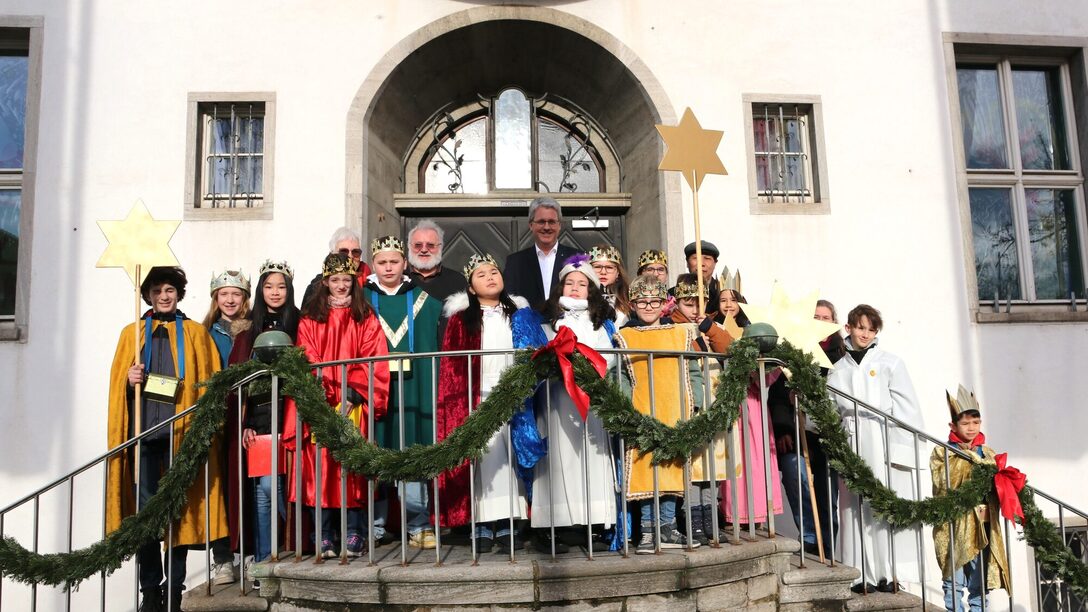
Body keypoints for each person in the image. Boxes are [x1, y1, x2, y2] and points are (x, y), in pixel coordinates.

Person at [106, 267, 227, 612]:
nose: (164, 295)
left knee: (179, 514)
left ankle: (174, 587)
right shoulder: (131, 334)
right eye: (157, 290)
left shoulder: (194, 334)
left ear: (179, 293)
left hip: (181, 438)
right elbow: (117, 391)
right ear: (147, 295)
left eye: (170, 289)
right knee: (146, 516)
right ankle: (150, 590)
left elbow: (209, 380)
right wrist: (129, 382)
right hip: (144, 438)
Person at [283, 253, 390, 559]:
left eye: (346, 280)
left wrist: (354, 394)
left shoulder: (365, 317)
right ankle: (324, 533)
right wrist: (324, 395)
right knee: (319, 468)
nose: (341, 286)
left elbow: (374, 357)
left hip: (354, 403)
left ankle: (355, 530)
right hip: (322, 402)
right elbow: (308, 357)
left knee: (352, 466)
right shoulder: (310, 319)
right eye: (335, 280)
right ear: (325, 282)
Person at [514, 254, 617, 552]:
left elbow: (610, 354)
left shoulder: (602, 324)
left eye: (581, 283)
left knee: (592, 457)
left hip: (592, 398)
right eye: (569, 283)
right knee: (558, 459)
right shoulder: (549, 322)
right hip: (556, 399)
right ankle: (552, 525)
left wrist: (588, 369)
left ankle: (594, 522)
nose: (574, 288)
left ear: (592, 290)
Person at [435, 253, 531, 552]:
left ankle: (506, 522)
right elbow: (452, 367)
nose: (491, 277)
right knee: (482, 458)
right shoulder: (462, 320)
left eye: (494, 271)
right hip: (477, 394)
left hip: (511, 392)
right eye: (482, 274)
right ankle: (480, 523)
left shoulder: (518, 313)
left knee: (507, 460)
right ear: (471, 288)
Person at [828, 304, 924, 594]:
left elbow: (908, 410)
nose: (865, 333)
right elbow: (829, 410)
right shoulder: (837, 369)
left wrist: (901, 449)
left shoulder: (889, 363)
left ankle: (888, 572)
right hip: (851, 440)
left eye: (871, 328)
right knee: (853, 507)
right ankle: (858, 573)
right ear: (849, 328)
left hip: (881, 440)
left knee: (881, 506)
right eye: (860, 327)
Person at [364, 236, 443, 549]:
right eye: (382, 262)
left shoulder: (424, 301)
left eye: (394, 262)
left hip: (412, 388)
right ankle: (376, 524)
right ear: (374, 265)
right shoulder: (362, 300)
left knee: (412, 449)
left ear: (405, 264)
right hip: (376, 389)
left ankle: (417, 523)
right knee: (378, 449)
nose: (388, 268)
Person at [616, 274, 699, 553]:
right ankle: (649, 531)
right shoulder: (625, 336)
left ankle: (669, 528)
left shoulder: (681, 333)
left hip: (674, 409)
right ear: (633, 303)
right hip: (642, 412)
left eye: (654, 301)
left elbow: (694, 370)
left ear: (664, 303)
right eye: (642, 301)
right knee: (647, 470)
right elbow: (620, 376)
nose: (649, 306)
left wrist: (697, 402)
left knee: (671, 469)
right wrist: (625, 409)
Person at [227, 260, 300, 565]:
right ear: (260, 291)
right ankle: (263, 558)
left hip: (291, 416)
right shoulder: (248, 332)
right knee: (261, 494)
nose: (275, 292)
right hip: (258, 423)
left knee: (278, 487)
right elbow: (238, 383)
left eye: (281, 286)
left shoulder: (300, 325)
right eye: (269, 286)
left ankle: (294, 542)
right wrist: (243, 423)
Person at [770, 299, 843, 558]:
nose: (820, 321)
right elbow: (777, 395)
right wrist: (782, 430)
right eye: (816, 316)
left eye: (826, 317)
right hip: (796, 431)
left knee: (826, 493)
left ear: (833, 322)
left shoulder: (841, 357)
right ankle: (810, 537)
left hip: (825, 436)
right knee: (795, 478)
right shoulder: (795, 351)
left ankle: (827, 543)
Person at [932, 387, 1011, 611]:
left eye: (975, 423)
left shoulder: (988, 453)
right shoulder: (943, 453)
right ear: (953, 426)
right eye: (965, 424)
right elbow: (943, 483)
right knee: (954, 583)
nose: (971, 428)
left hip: (982, 527)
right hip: (954, 527)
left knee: (979, 584)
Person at [668, 274, 733, 545]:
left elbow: (730, 348)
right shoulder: (673, 326)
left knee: (712, 468)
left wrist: (709, 327)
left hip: (714, 403)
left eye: (699, 302)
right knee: (693, 469)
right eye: (688, 303)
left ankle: (710, 518)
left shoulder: (711, 326)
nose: (694, 308)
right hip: (690, 401)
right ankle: (692, 518)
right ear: (677, 303)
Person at [502, 197, 579, 310]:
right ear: (531, 225)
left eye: (552, 222)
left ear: (559, 225)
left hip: (568, 326)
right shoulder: (515, 262)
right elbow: (508, 300)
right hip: (529, 326)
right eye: (541, 222)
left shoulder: (576, 258)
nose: (546, 227)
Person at [300, 227, 374, 307]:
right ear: (332, 254)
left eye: (355, 252)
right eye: (343, 252)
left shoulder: (371, 284)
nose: (350, 256)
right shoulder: (316, 288)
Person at [405, 219, 467, 303]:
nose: (423, 250)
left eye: (430, 245)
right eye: (418, 245)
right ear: (409, 246)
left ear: (440, 247)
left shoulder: (458, 280)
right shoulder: (399, 278)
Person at [202, 269, 251, 368]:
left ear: (244, 299)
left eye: (236, 294)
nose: (230, 300)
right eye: (224, 294)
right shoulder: (206, 333)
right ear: (216, 298)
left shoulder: (254, 331)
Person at [589, 245, 632, 326]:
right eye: (597, 267)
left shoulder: (629, 298)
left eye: (609, 267)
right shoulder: (582, 297)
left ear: (618, 272)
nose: (603, 272)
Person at [682, 240, 721, 314]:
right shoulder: (673, 294)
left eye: (707, 258)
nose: (701, 263)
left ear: (715, 263)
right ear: (687, 263)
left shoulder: (723, 294)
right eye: (696, 258)